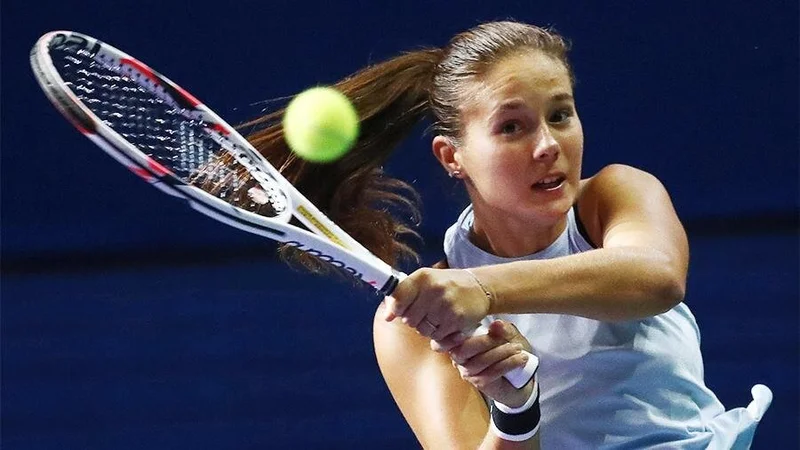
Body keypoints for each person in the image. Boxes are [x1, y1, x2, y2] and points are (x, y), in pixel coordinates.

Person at [246, 20, 771, 449]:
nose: (548, 145)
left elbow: (657, 278)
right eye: (512, 127)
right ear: (452, 156)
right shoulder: (415, 324)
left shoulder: (613, 198)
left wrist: (484, 289)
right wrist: (515, 406)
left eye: (560, 115)